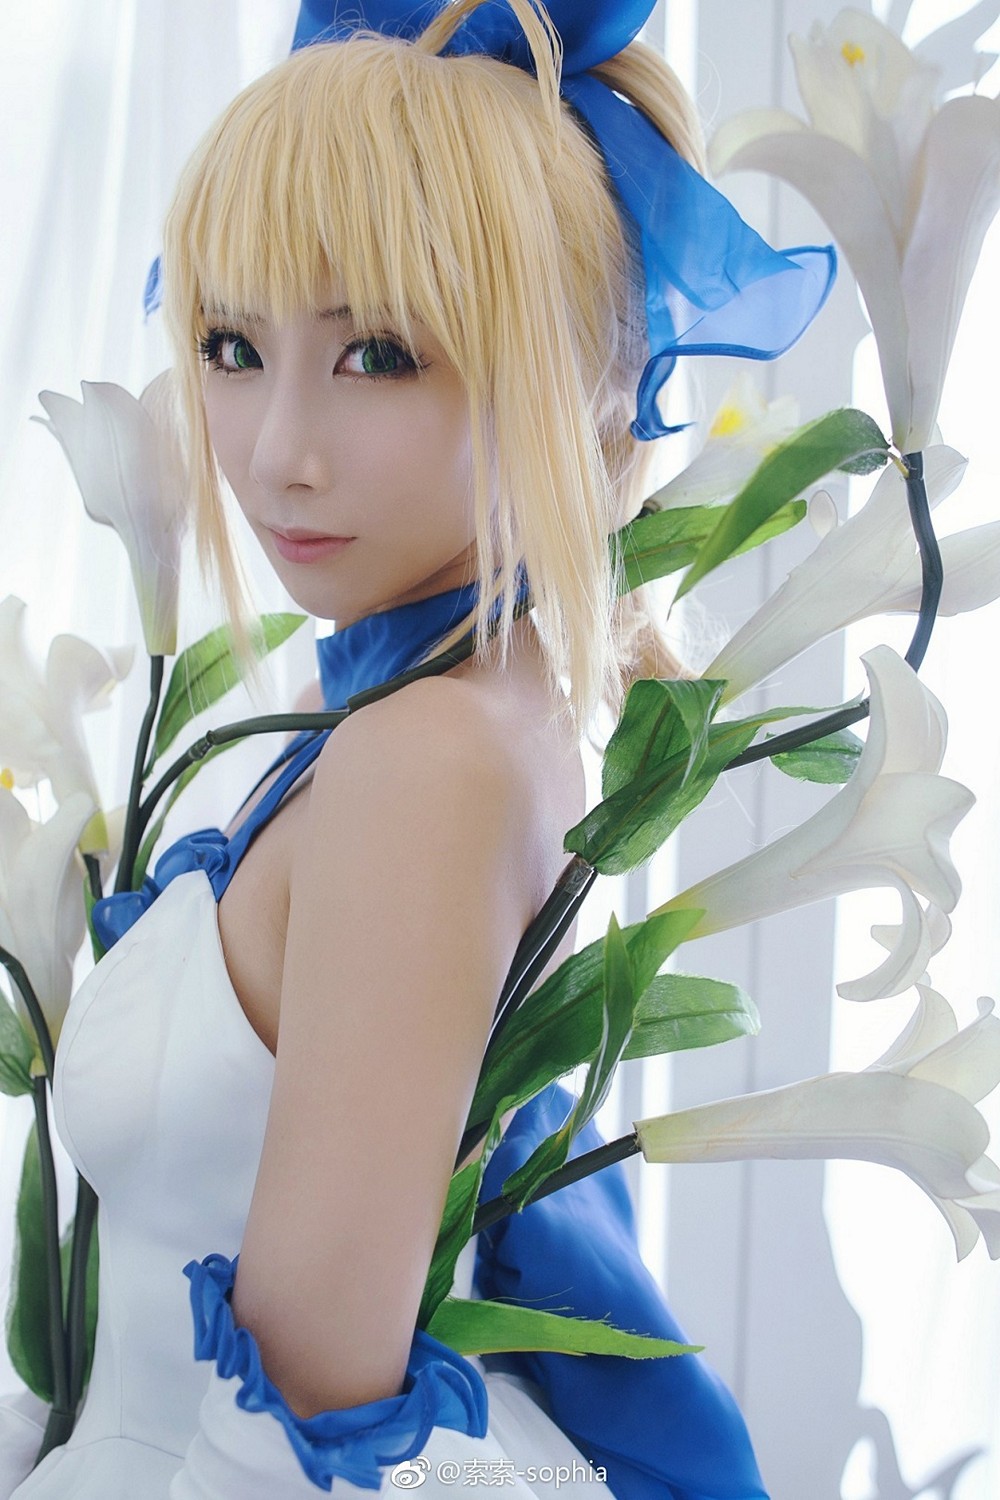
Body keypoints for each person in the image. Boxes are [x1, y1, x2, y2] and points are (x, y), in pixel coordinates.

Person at [0, 2, 835, 1495]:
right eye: (232, 346)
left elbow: (293, 1434)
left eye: (378, 352)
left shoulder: (425, 762)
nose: (277, 451)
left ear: (578, 367)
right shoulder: (450, 712)